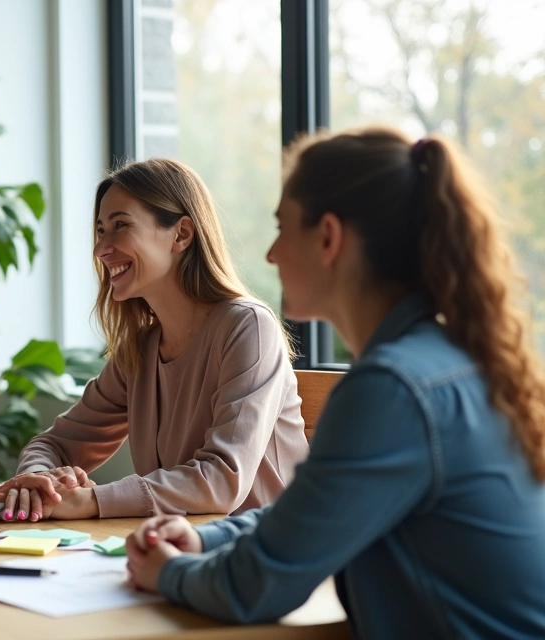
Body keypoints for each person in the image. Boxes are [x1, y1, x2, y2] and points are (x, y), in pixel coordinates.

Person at [126, 128, 545, 637]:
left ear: (328, 237)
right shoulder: (444, 360)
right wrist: (209, 541)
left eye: (283, 228)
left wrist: (167, 573)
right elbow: (318, 509)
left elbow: (258, 584)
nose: (271, 254)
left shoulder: (392, 389)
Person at [0, 158, 308, 522]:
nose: (101, 249)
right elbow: (54, 443)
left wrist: (91, 502)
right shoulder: (140, 350)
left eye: (120, 226)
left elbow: (222, 480)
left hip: (268, 561)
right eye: (100, 231)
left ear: (182, 234)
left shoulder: (247, 327)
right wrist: (40, 478)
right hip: (178, 551)